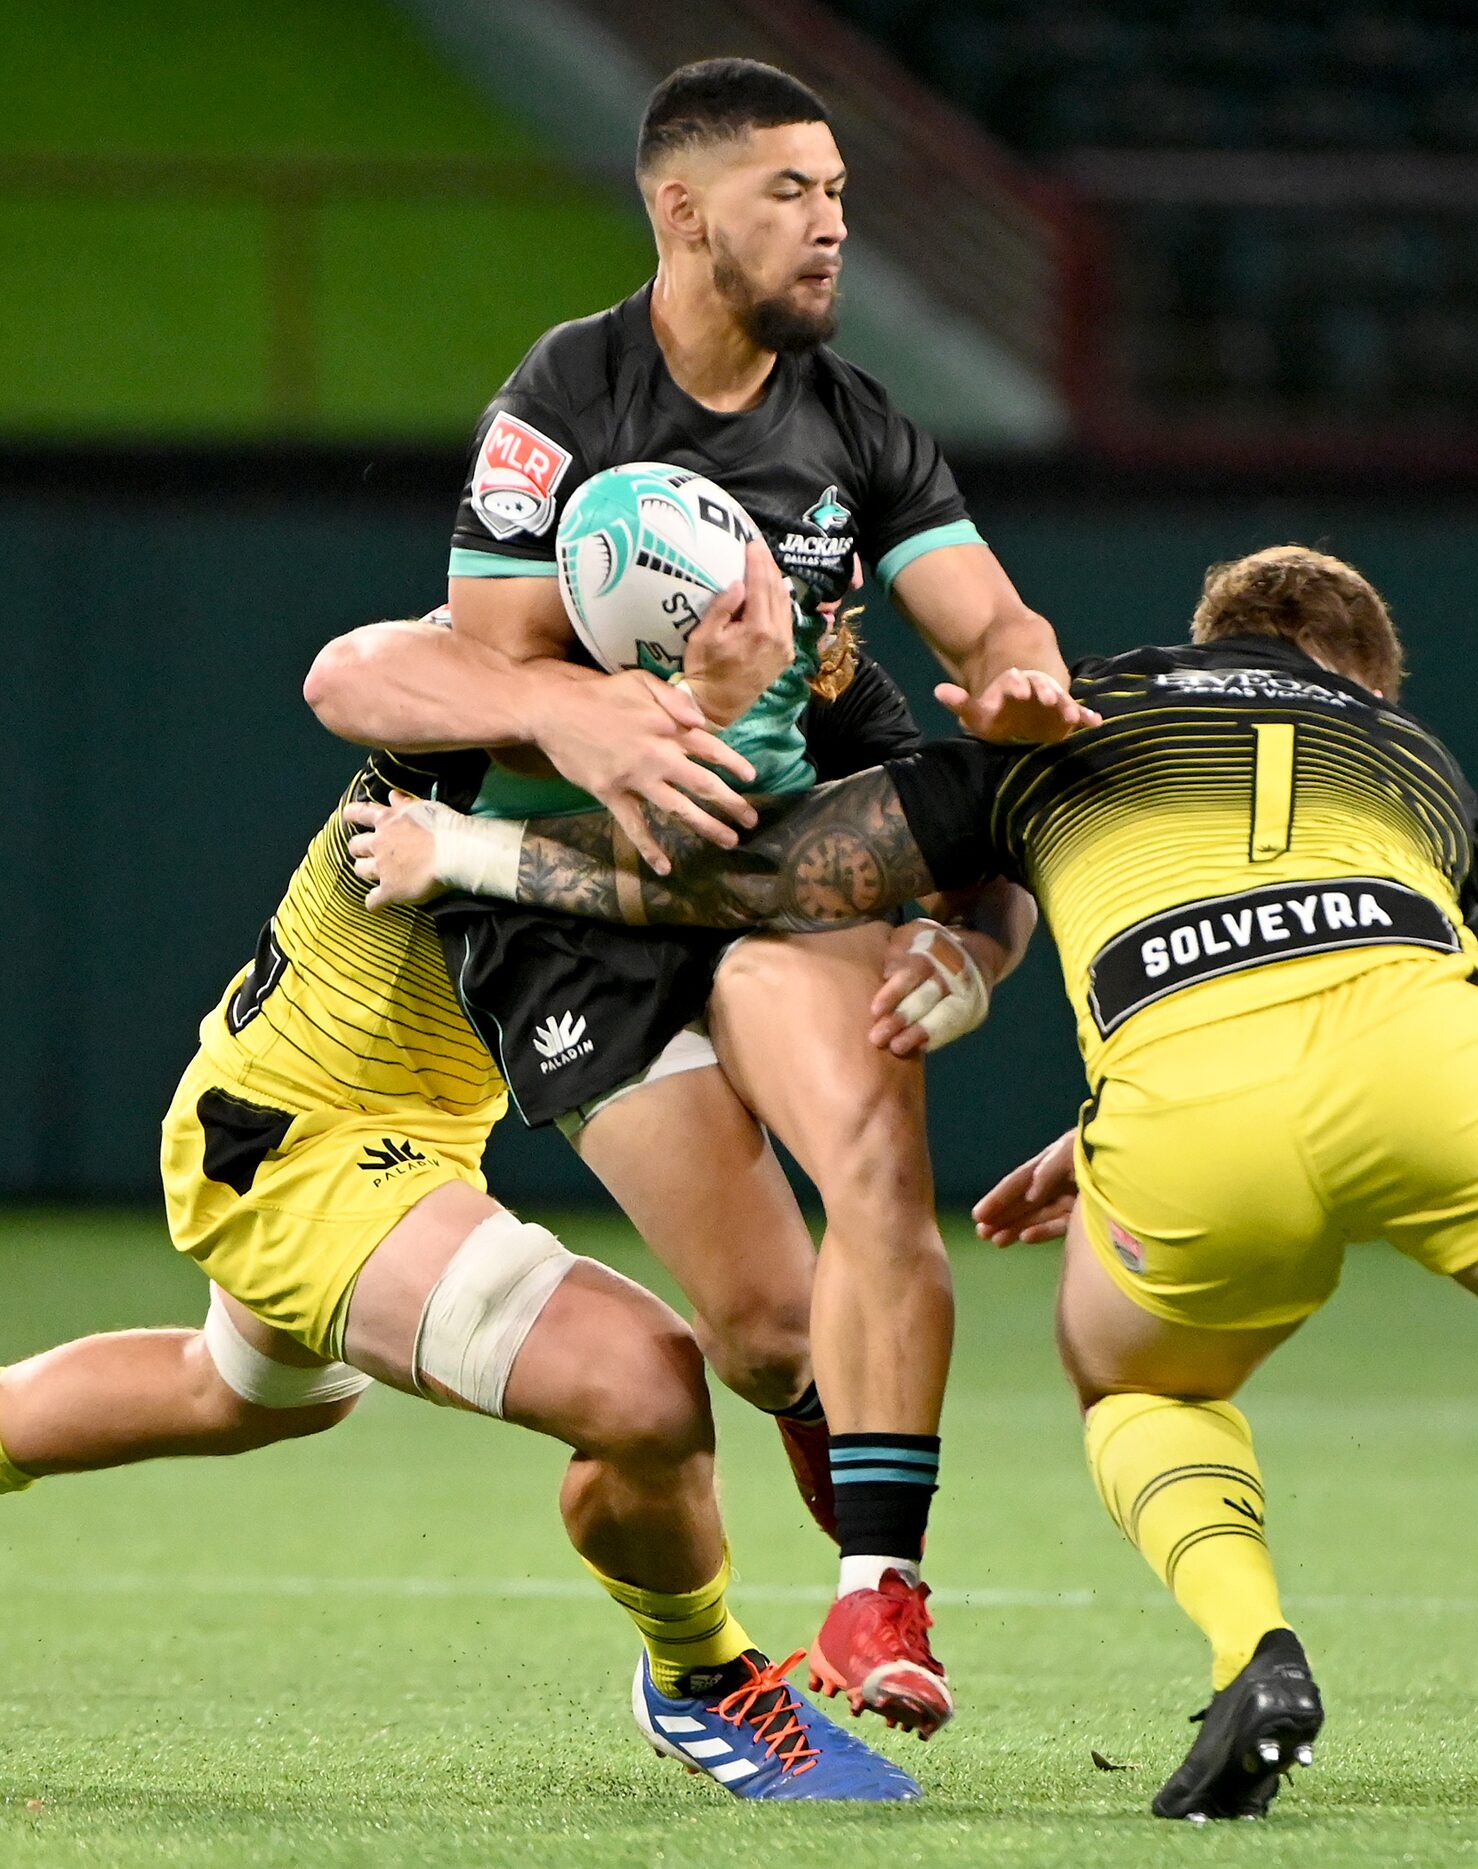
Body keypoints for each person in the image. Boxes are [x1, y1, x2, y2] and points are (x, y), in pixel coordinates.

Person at [348, 544, 1478, 1820]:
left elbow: (771, 870)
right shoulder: (1414, 761)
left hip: (1191, 1109)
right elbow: (1341, 971)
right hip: (1439, 1070)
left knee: (1145, 1385)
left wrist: (468, 854)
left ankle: (1253, 1650)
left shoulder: (1077, 710)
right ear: (1361, 678)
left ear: (1208, 635)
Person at [304, 53, 1079, 1737]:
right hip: (568, 905)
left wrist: (1015, 695)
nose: (827, 227)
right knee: (754, 1324)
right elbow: (454, 664)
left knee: (875, 1156)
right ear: (680, 208)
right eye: (788, 193)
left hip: (769, 866)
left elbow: (992, 633)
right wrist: (582, 709)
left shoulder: (857, 421)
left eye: (840, 197)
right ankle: (814, 1409)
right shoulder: (568, 399)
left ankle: (881, 1581)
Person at [0, 701, 924, 1804]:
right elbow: (360, 670)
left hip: (374, 1125)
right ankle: (700, 1677)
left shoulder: (698, 681)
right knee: (642, 1388)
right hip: (302, 1146)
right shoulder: (495, 691)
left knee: (240, 1393)